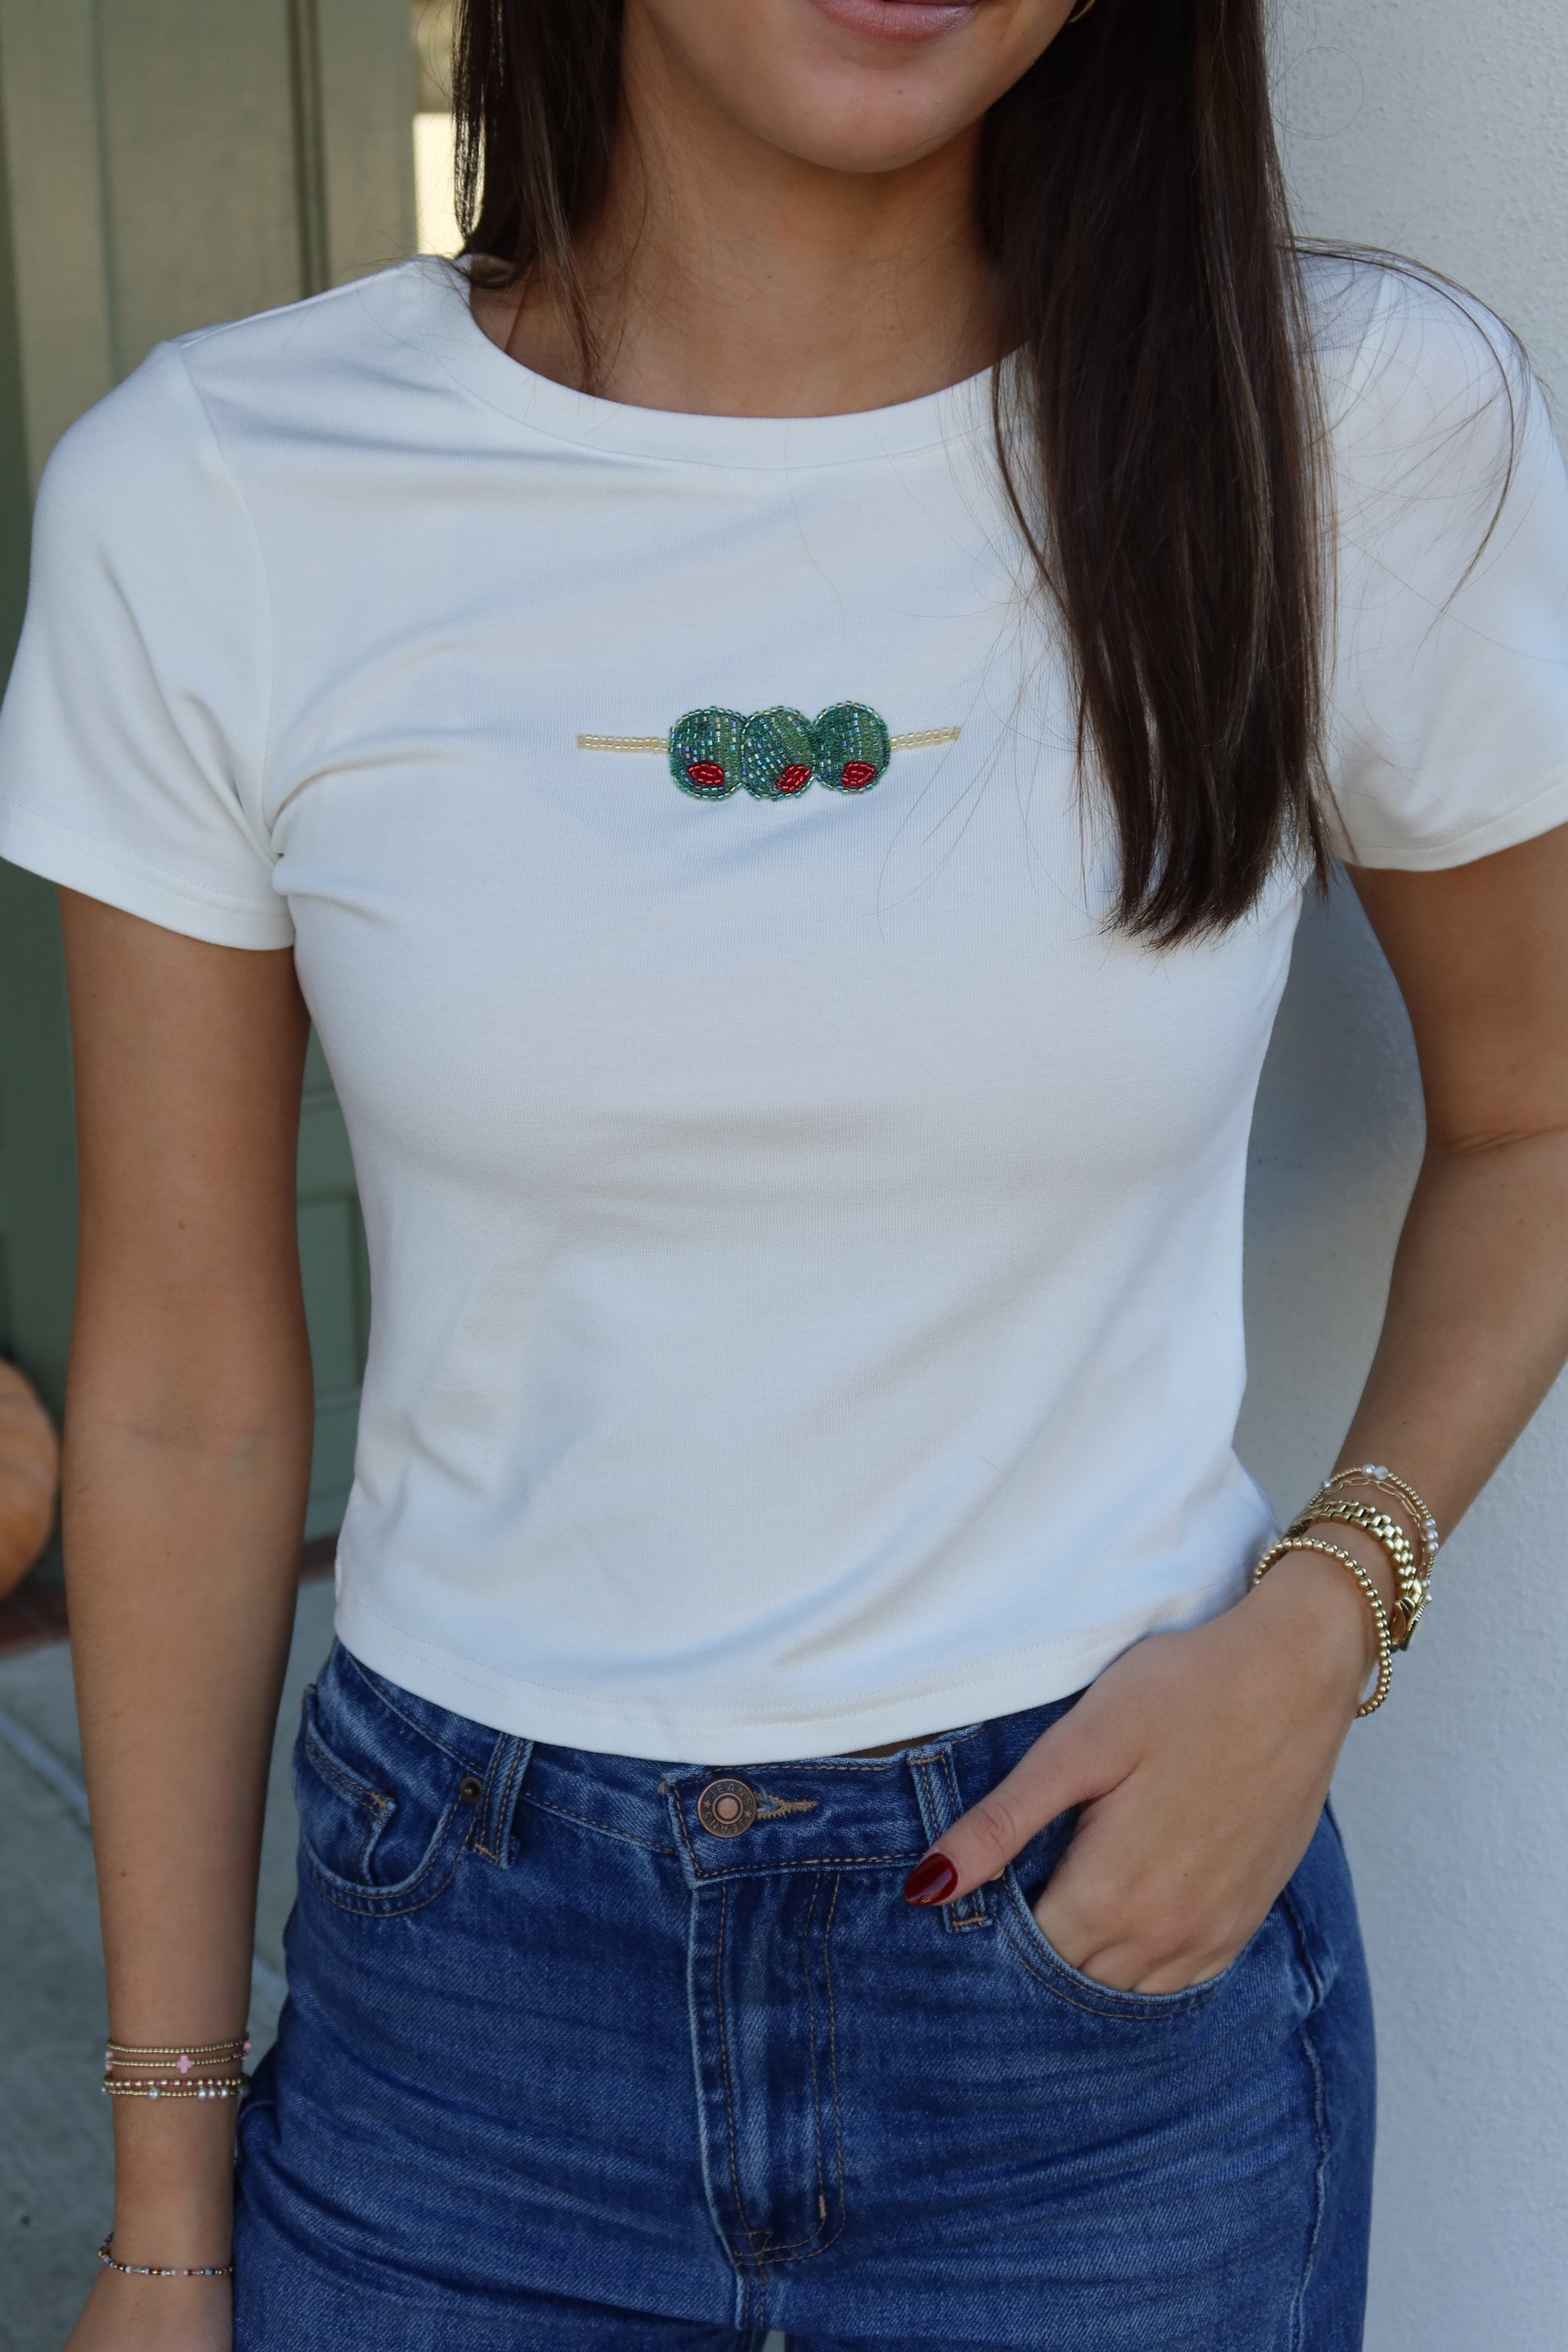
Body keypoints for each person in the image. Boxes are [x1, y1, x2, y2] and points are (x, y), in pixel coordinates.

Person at [5, 1, 1568, 2345]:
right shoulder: (223, 492)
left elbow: (1540, 1108)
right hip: (465, 2010)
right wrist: (164, 2197)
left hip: (1098, 1985)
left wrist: (1329, 1616)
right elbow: (178, 1398)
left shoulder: (1335, 423)